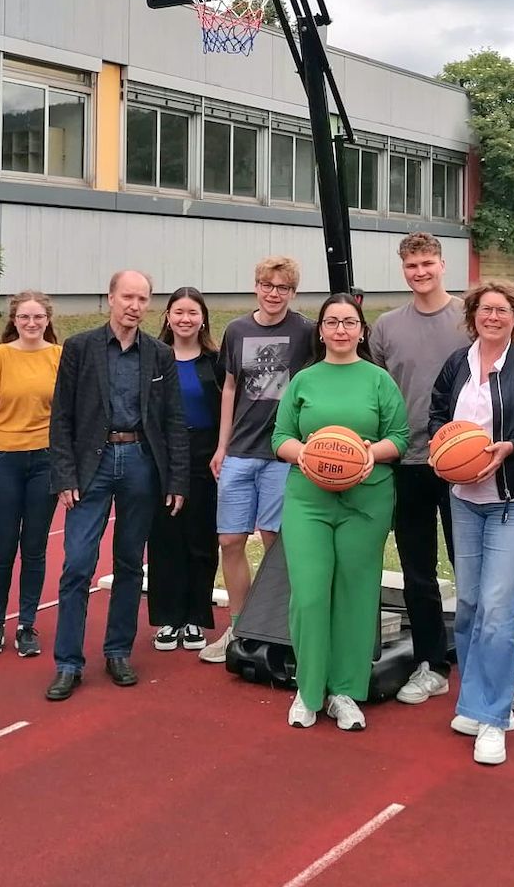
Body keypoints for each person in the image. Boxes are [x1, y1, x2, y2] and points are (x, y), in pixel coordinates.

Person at [371, 232, 514, 715]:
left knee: (483, 580)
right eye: (412, 266)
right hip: (407, 463)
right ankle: (431, 664)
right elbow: (381, 395)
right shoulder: (385, 327)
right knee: (418, 569)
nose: (420, 272)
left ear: (442, 264)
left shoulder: (469, 320)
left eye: (428, 263)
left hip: (468, 467)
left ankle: (497, 670)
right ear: (403, 270)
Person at [427, 282, 514, 764]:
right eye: (485, 309)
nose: (492, 316)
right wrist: (441, 452)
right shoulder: (457, 364)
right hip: (465, 498)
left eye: (502, 310)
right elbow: (438, 418)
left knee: (497, 605)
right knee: (468, 604)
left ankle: (494, 717)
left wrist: (511, 448)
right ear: (473, 315)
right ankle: (477, 698)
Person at [45, 270, 189, 701]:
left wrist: (176, 477)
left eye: (143, 298)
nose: (135, 305)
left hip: (141, 462)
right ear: (110, 298)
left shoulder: (159, 354)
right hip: (94, 462)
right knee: (77, 565)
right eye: (127, 296)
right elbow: (62, 417)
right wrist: (64, 475)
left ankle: (117, 651)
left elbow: (173, 420)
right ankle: (68, 662)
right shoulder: (79, 348)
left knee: (129, 563)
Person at [273, 294, 409, 731]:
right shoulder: (304, 381)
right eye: (332, 322)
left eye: (349, 322)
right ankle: (308, 690)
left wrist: (372, 455)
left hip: (366, 500)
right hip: (309, 501)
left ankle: (345, 691)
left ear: (362, 331)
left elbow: (400, 437)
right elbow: (280, 438)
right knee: (310, 595)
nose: (341, 330)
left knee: (356, 594)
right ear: (321, 330)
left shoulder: (378, 381)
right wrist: (306, 454)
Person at [201, 256, 315, 663]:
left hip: (281, 455)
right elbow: (230, 388)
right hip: (240, 452)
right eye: (267, 285)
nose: (273, 293)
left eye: (282, 287)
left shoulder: (306, 331)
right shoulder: (237, 330)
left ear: (293, 292)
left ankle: (275, 626)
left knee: (273, 542)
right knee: (230, 541)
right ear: (256, 287)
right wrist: (222, 446)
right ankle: (238, 624)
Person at [0, 290, 62, 659]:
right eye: (24, 317)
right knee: (3, 547)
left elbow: (68, 412)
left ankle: (26, 624)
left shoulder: (59, 356)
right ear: (13, 320)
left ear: (48, 320)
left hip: (45, 461)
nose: (31, 323)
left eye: (38, 317)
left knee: (35, 547)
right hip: (3, 460)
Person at [148, 287, 223, 653]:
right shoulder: (153, 359)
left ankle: (195, 617)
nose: (185, 319)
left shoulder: (215, 361)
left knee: (200, 536)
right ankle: (168, 618)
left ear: (203, 318)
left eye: (193, 312)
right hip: (161, 455)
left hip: (205, 454)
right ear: (167, 316)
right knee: (164, 537)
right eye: (178, 312)